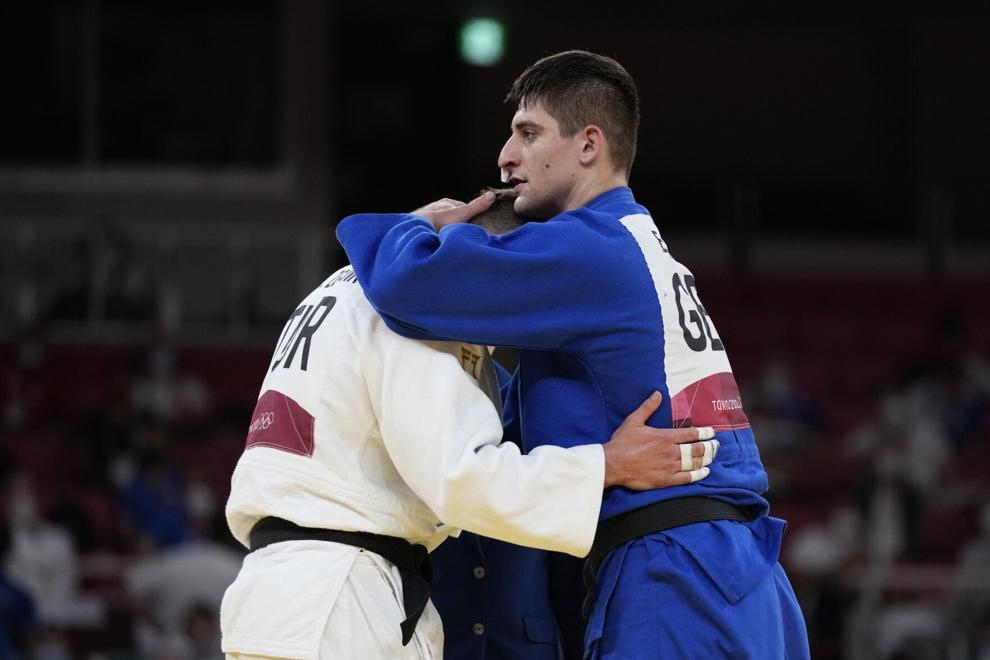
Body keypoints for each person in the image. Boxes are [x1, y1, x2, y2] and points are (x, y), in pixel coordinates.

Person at [336, 50, 811, 658]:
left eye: (528, 133)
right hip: (742, 577)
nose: (506, 157)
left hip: (673, 570)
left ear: (589, 145)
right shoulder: (643, 248)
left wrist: (415, 220)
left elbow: (408, 283)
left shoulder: (588, 249)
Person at [220, 189, 719, 660]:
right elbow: (463, 479)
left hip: (277, 594)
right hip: (340, 607)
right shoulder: (417, 309)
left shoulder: (335, 289)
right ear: (493, 259)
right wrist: (608, 464)